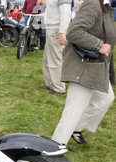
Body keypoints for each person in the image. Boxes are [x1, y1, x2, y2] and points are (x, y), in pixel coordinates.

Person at [52, 0, 115, 145]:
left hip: (97, 67)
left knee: (105, 99)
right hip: (83, 66)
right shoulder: (93, 4)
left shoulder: (105, 7)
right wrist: (98, 45)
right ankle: (54, 148)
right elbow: (74, 31)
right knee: (72, 111)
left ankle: (76, 128)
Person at [42, 0, 71, 95]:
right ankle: (50, 83)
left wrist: (62, 32)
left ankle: (59, 87)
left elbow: (66, 14)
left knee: (55, 58)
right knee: (47, 58)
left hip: (55, 29)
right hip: (51, 28)